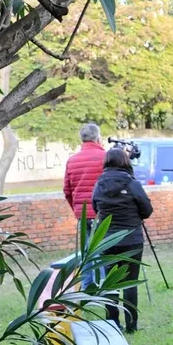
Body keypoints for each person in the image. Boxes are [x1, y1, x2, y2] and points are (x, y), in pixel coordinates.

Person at [92, 147, 153, 334]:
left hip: (107, 240)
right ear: (125, 162)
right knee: (130, 282)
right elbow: (147, 210)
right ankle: (132, 325)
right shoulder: (132, 183)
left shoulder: (99, 184)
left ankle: (112, 323)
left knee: (110, 282)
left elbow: (95, 207)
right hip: (131, 238)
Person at [64, 123, 106, 286]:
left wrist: (76, 209)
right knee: (101, 249)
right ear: (97, 137)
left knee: (87, 251)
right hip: (102, 212)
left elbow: (67, 190)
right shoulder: (106, 157)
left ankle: (87, 286)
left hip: (82, 213)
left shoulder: (72, 160)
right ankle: (102, 285)